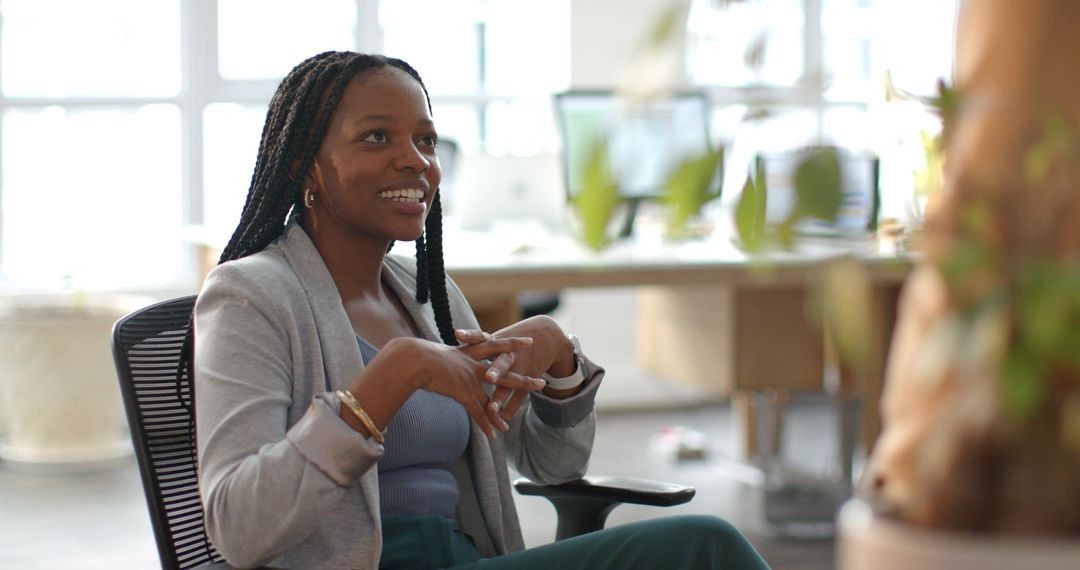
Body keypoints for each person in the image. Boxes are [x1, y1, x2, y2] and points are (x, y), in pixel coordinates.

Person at [193, 50, 770, 569]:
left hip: (466, 558)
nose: (415, 161)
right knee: (704, 549)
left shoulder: (424, 294)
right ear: (305, 166)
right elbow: (239, 529)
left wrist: (561, 365)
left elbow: (554, 470)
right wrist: (391, 378)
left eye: (425, 140)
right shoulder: (250, 297)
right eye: (376, 137)